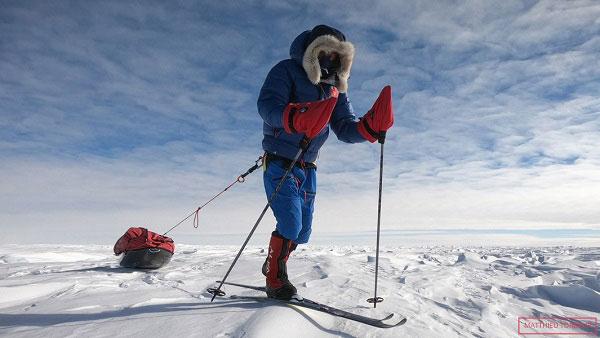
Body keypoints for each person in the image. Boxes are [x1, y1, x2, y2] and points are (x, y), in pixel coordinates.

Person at [257, 24, 394, 300]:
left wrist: (368, 128)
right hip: (280, 161)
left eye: (337, 55)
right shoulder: (286, 71)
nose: (331, 58)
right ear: (312, 50)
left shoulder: (335, 90)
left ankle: (275, 260)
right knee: (291, 223)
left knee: (303, 232)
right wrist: (295, 117)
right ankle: (274, 277)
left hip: (309, 166)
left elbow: (344, 126)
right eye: (325, 51)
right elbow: (267, 105)